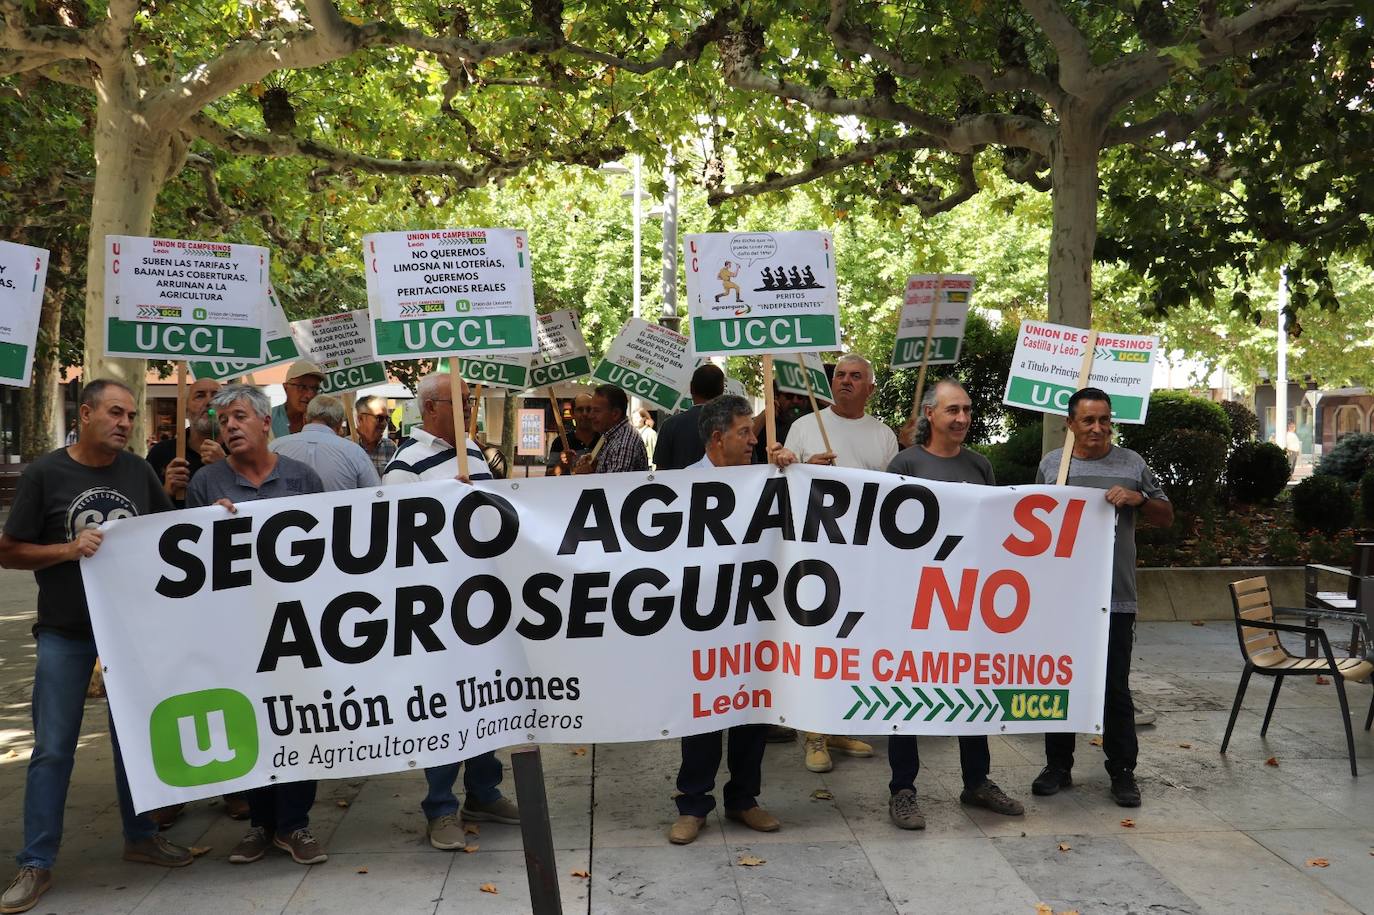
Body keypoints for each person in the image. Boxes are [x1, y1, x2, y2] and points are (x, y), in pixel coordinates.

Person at [0, 380, 196, 914]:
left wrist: (207, 510)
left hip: (129, 634)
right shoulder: (45, 473)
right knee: (53, 749)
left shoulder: (136, 471)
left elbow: (166, 534)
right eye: (115, 412)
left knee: (134, 740)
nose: (125, 423)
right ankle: (36, 863)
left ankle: (140, 838)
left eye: (131, 415)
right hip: (65, 632)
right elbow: (9, 552)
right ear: (84, 414)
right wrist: (68, 548)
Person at [187, 385, 329, 866]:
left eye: (239, 416)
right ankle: (259, 824)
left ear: (266, 423)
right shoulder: (207, 483)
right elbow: (187, 558)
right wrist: (207, 525)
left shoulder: (302, 478)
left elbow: (331, 550)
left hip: (294, 627)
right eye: (223, 420)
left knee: (296, 720)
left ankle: (295, 824)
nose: (229, 426)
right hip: (235, 629)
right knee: (250, 721)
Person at [381, 373, 520, 849]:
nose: (469, 411)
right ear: (431, 408)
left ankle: (484, 791)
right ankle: (440, 806)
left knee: (486, 695)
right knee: (445, 702)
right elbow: (396, 538)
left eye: (469, 402)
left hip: (482, 598)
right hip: (438, 607)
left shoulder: (475, 452)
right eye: (460, 403)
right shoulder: (404, 466)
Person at [883, 380, 1024, 829]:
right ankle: (902, 789)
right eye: (952, 410)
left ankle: (977, 780)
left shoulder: (980, 465)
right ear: (930, 414)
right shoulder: (904, 463)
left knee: (971, 686)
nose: (962, 418)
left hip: (967, 600)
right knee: (904, 691)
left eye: (966, 409)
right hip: (914, 599)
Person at [1032, 387, 1173, 809]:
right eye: (1088, 420)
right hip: (1063, 600)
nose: (1098, 428)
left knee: (1115, 687)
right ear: (1070, 424)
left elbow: (1166, 515)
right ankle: (1058, 765)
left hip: (1116, 597)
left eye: (1105, 420)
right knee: (1059, 681)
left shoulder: (1132, 464)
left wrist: (1139, 498)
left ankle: (1123, 771)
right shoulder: (1052, 466)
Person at [671, 395, 797, 845]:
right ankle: (693, 803)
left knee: (751, 712)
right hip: (702, 618)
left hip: (753, 617)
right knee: (703, 712)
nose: (754, 440)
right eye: (745, 432)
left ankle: (745, 799)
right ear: (717, 437)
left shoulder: (767, 478)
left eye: (754, 433)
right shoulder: (682, 485)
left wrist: (792, 469)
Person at [783, 353, 898, 773]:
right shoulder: (803, 426)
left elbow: (890, 493)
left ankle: (837, 725)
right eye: (839, 376)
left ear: (870, 387)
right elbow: (778, 480)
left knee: (849, 644)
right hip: (814, 554)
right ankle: (812, 733)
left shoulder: (883, 434)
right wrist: (798, 466)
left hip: (861, 556)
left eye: (855, 376)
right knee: (815, 642)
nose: (845, 381)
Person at [269, 394, 380, 491]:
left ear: (305, 419)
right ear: (340, 424)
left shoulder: (275, 447)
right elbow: (376, 493)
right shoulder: (354, 452)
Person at [147, 377, 228, 508]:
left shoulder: (240, 451)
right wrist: (166, 491)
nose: (209, 402)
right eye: (200, 396)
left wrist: (225, 469)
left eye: (216, 396)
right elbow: (142, 510)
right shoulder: (161, 452)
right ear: (185, 408)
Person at [654, 364, 725, 471]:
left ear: (691, 388)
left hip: (678, 486)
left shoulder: (670, 425)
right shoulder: (733, 426)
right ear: (722, 391)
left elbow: (661, 471)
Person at [572, 385, 648, 475]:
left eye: (596, 411)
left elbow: (614, 486)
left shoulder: (623, 444)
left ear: (615, 414)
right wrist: (596, 465)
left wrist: (586, 475)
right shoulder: (611, 436)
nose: (590, 415)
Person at [547, 393, 599, 474]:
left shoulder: (604, 441)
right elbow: (548, 476)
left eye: (589, 409)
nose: (585, 414)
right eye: (580, 410)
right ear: (572, 413)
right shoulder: (559, 442)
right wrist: (562, 465)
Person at [270, 360, 325, 438]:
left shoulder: (322, 423)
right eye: (302, 387)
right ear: (286, 387)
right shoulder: (267, 420)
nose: (309, 395)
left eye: (315, 388)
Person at [355, 394, 397, 477]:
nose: (385, 423)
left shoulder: (390, 447)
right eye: (380, 418)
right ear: (361, 419)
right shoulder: (347, 446)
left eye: (387, 419)